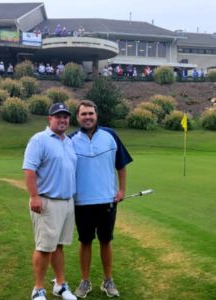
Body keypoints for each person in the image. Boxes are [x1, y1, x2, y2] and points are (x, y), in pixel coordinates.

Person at [69, 100, 133, 298]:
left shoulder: (110, 135)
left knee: (106, 241)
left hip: (107, 200)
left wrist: (121, 190)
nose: (88, 117)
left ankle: (107, 280)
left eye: (91, 113)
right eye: (83, 114)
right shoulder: (70, 140)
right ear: (78, 117)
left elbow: (121, 165)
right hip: (82, 202)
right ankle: (85, 282)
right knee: (85, 241)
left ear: (96, 115)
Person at [23, 103, 78, 300]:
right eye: (58, 116)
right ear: (50, 119)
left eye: (66, 117)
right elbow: (29, 170)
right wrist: (34, 196)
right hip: (47, 202)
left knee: (59, 245)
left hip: (67, 202)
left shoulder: (68, 142)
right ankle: (38, 289)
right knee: (44, 247)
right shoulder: (39, 140)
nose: (63, 120)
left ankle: (60, 285)